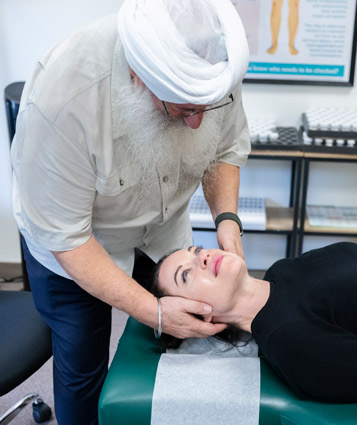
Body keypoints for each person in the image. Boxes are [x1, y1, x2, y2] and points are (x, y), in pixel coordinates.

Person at [10, 0, 250, 423]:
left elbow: (225, 147)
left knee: (193, 339)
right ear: (139, 79)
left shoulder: (210, 58)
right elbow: (69, 238)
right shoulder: (64, 99)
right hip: (76, 250)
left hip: (163, 229)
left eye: (203, 109)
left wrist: (226, 220)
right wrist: (152, 310)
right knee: (83, 366)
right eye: (181, 110)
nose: (195, 124)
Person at [152, 242, 357, 403]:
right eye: (185, 275)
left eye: (196, 250)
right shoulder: (293, 342)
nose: (203, 256)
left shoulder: (282, 270)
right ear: (199, 317)